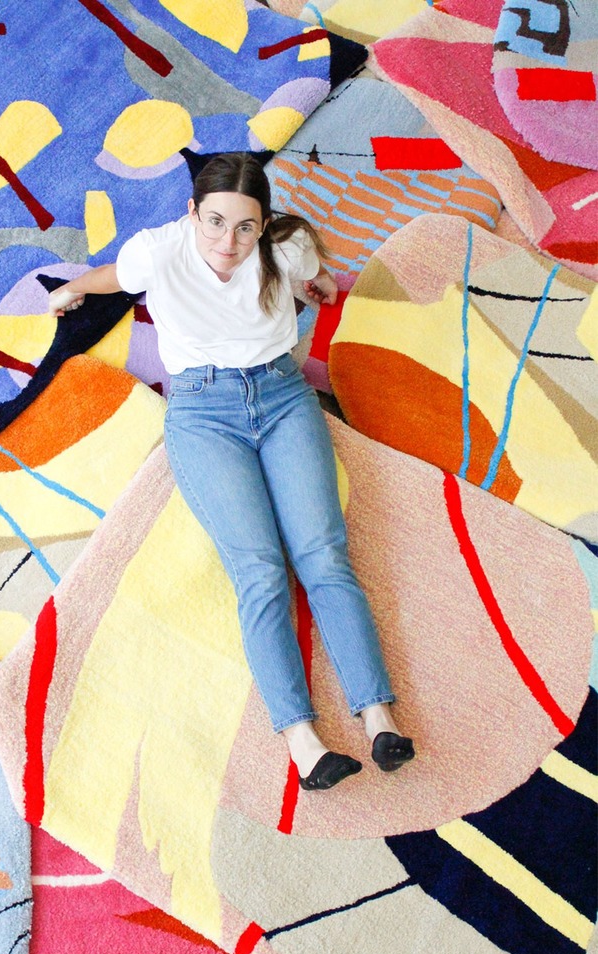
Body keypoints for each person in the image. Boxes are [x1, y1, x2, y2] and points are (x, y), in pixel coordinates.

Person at [49, 153, 414, 791]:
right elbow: (119, 276)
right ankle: (304, 742)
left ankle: (379, 717)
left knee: (324, 556)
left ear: (264, 224)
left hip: (282, 398)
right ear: (192, 213)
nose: (228, 242)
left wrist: (317, 286)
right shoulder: (160, 250)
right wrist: (78, 287)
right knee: (260, 570)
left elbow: (310, 272)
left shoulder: (286, 248)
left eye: (245, 228)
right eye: (214, 223)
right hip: (202, 413)